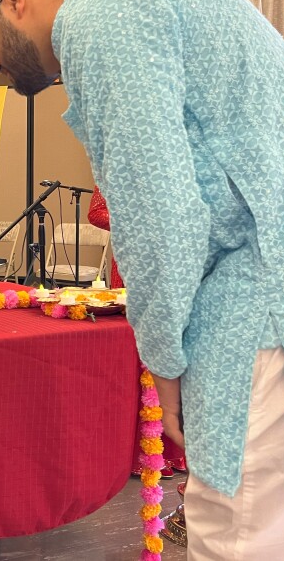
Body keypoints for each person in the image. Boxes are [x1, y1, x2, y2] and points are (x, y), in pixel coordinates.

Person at [0, 0, 284, 558]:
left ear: (14, 0)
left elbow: (159, 207)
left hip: (261, 288)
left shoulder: (102, 15)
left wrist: (163, 360)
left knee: (241, 527)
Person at [88, 184, 187, 478]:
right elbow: (96, 213)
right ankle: (142, 451)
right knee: (140, 355)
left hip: (176, 263)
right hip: (135, 262)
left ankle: (176, 449)